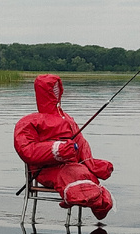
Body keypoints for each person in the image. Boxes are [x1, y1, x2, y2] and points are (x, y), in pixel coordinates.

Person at [14, 74, 114, 220]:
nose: (55, 92)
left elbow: (81, 143)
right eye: (51, 89)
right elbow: (26, 150)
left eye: (56, 89)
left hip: (72, 166)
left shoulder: (67, 119)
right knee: (73, 174)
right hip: (45, 169)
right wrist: (57, 149)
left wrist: (91, 163)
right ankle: (84, 197)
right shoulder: (29, 122)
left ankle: (97, 201)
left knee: (84, 173)